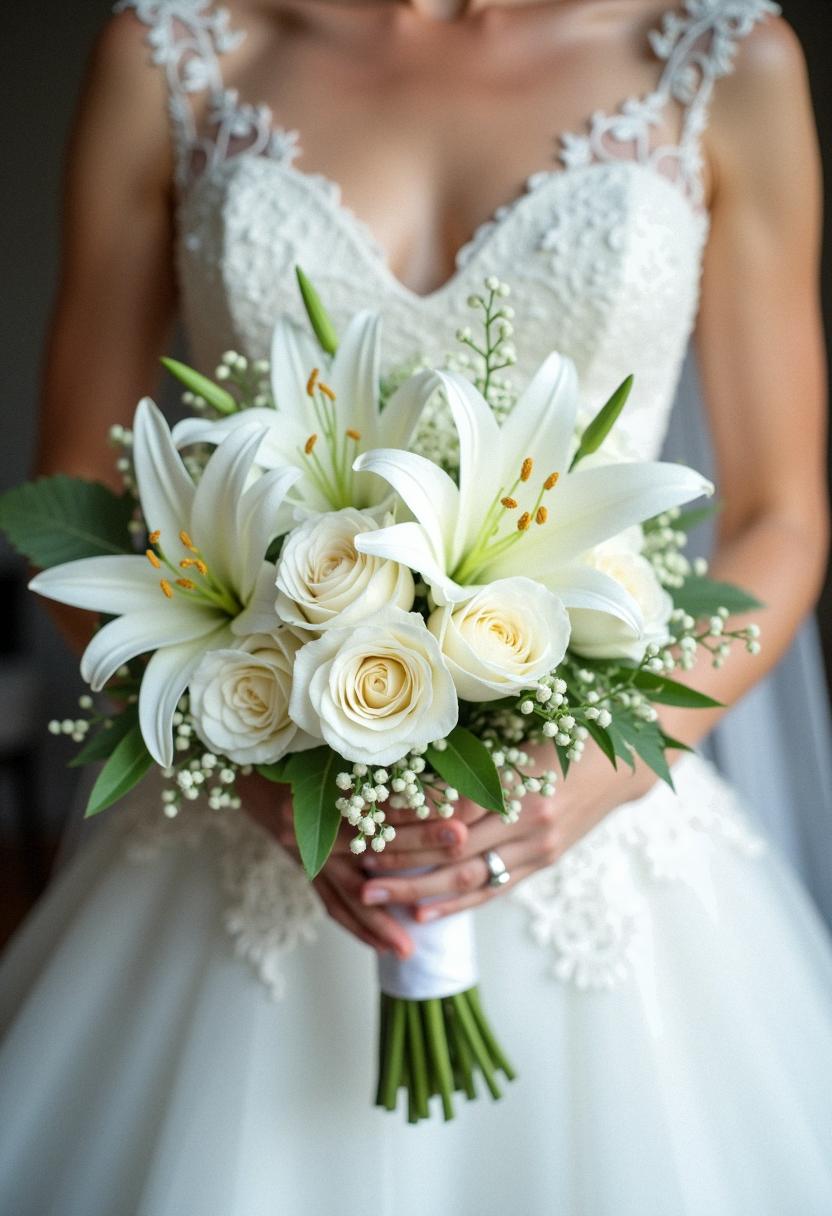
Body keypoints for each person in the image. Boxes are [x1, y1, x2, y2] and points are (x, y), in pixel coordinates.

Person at [1, 1, 831, 1213]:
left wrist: (600, 767)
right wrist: (250, 767)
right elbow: (74, 493)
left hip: (595, 810)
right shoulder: (174, 52)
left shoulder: (719, 55)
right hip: (247, 820)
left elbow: (782, 514)